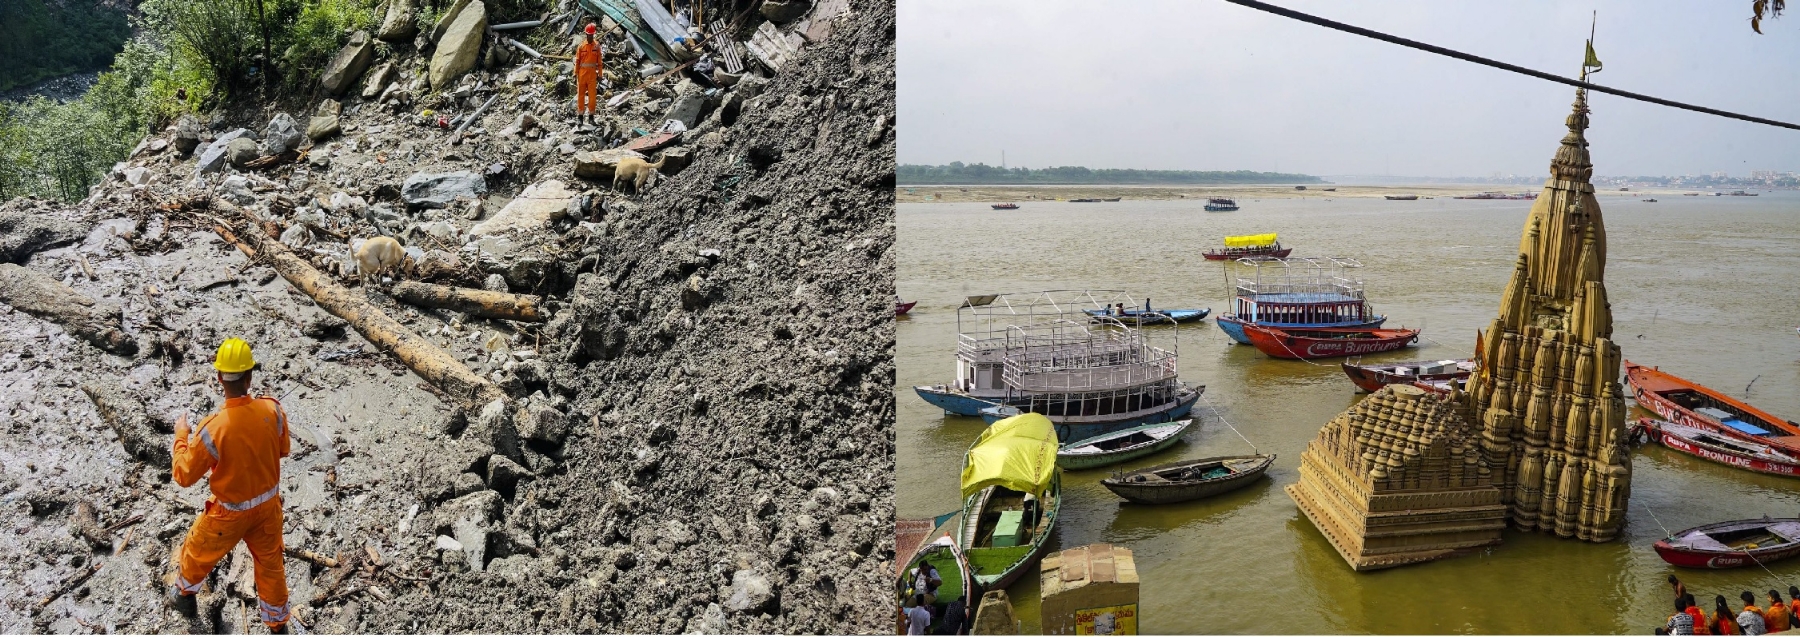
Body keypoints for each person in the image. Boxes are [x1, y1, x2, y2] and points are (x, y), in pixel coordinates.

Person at [166, 338, 292, 632]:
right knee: (271, 567)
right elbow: (283, 449)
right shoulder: (272, 411)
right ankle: (278, 626)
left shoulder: (214, 428)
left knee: (197, 549)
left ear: (219, 378)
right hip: (267, 509)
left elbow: (184, 475)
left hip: (229, 514)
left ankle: (183, 595)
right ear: (250, 376)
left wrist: (181, 436)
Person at [574, 22, 604, 127]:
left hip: (591, 75)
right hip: (582, 74)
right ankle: (580, 117)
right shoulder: (581, 46)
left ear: (593, 35)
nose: (590, 36)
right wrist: (575, 73)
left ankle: (591, 117)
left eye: (592, 35)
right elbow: (577, 61)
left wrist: (600, 75)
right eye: (589, 35)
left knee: (592, 97)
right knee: (580, 96)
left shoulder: (597, 46)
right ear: (586, 34)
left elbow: (599, 62)